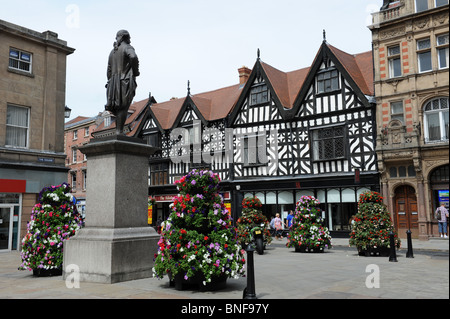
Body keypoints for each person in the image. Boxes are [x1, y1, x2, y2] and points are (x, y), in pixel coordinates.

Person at [105, 30, 140, 135]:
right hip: (124, 81)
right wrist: (135, 71)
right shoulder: (128, 47)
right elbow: (133, 57)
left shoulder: (112, 52)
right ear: (126, 37)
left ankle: (118, 131)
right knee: (123, 107)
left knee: (117, 107)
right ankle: (119, 131)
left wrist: (110, 81)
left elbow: (109, 70)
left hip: (113, 83)